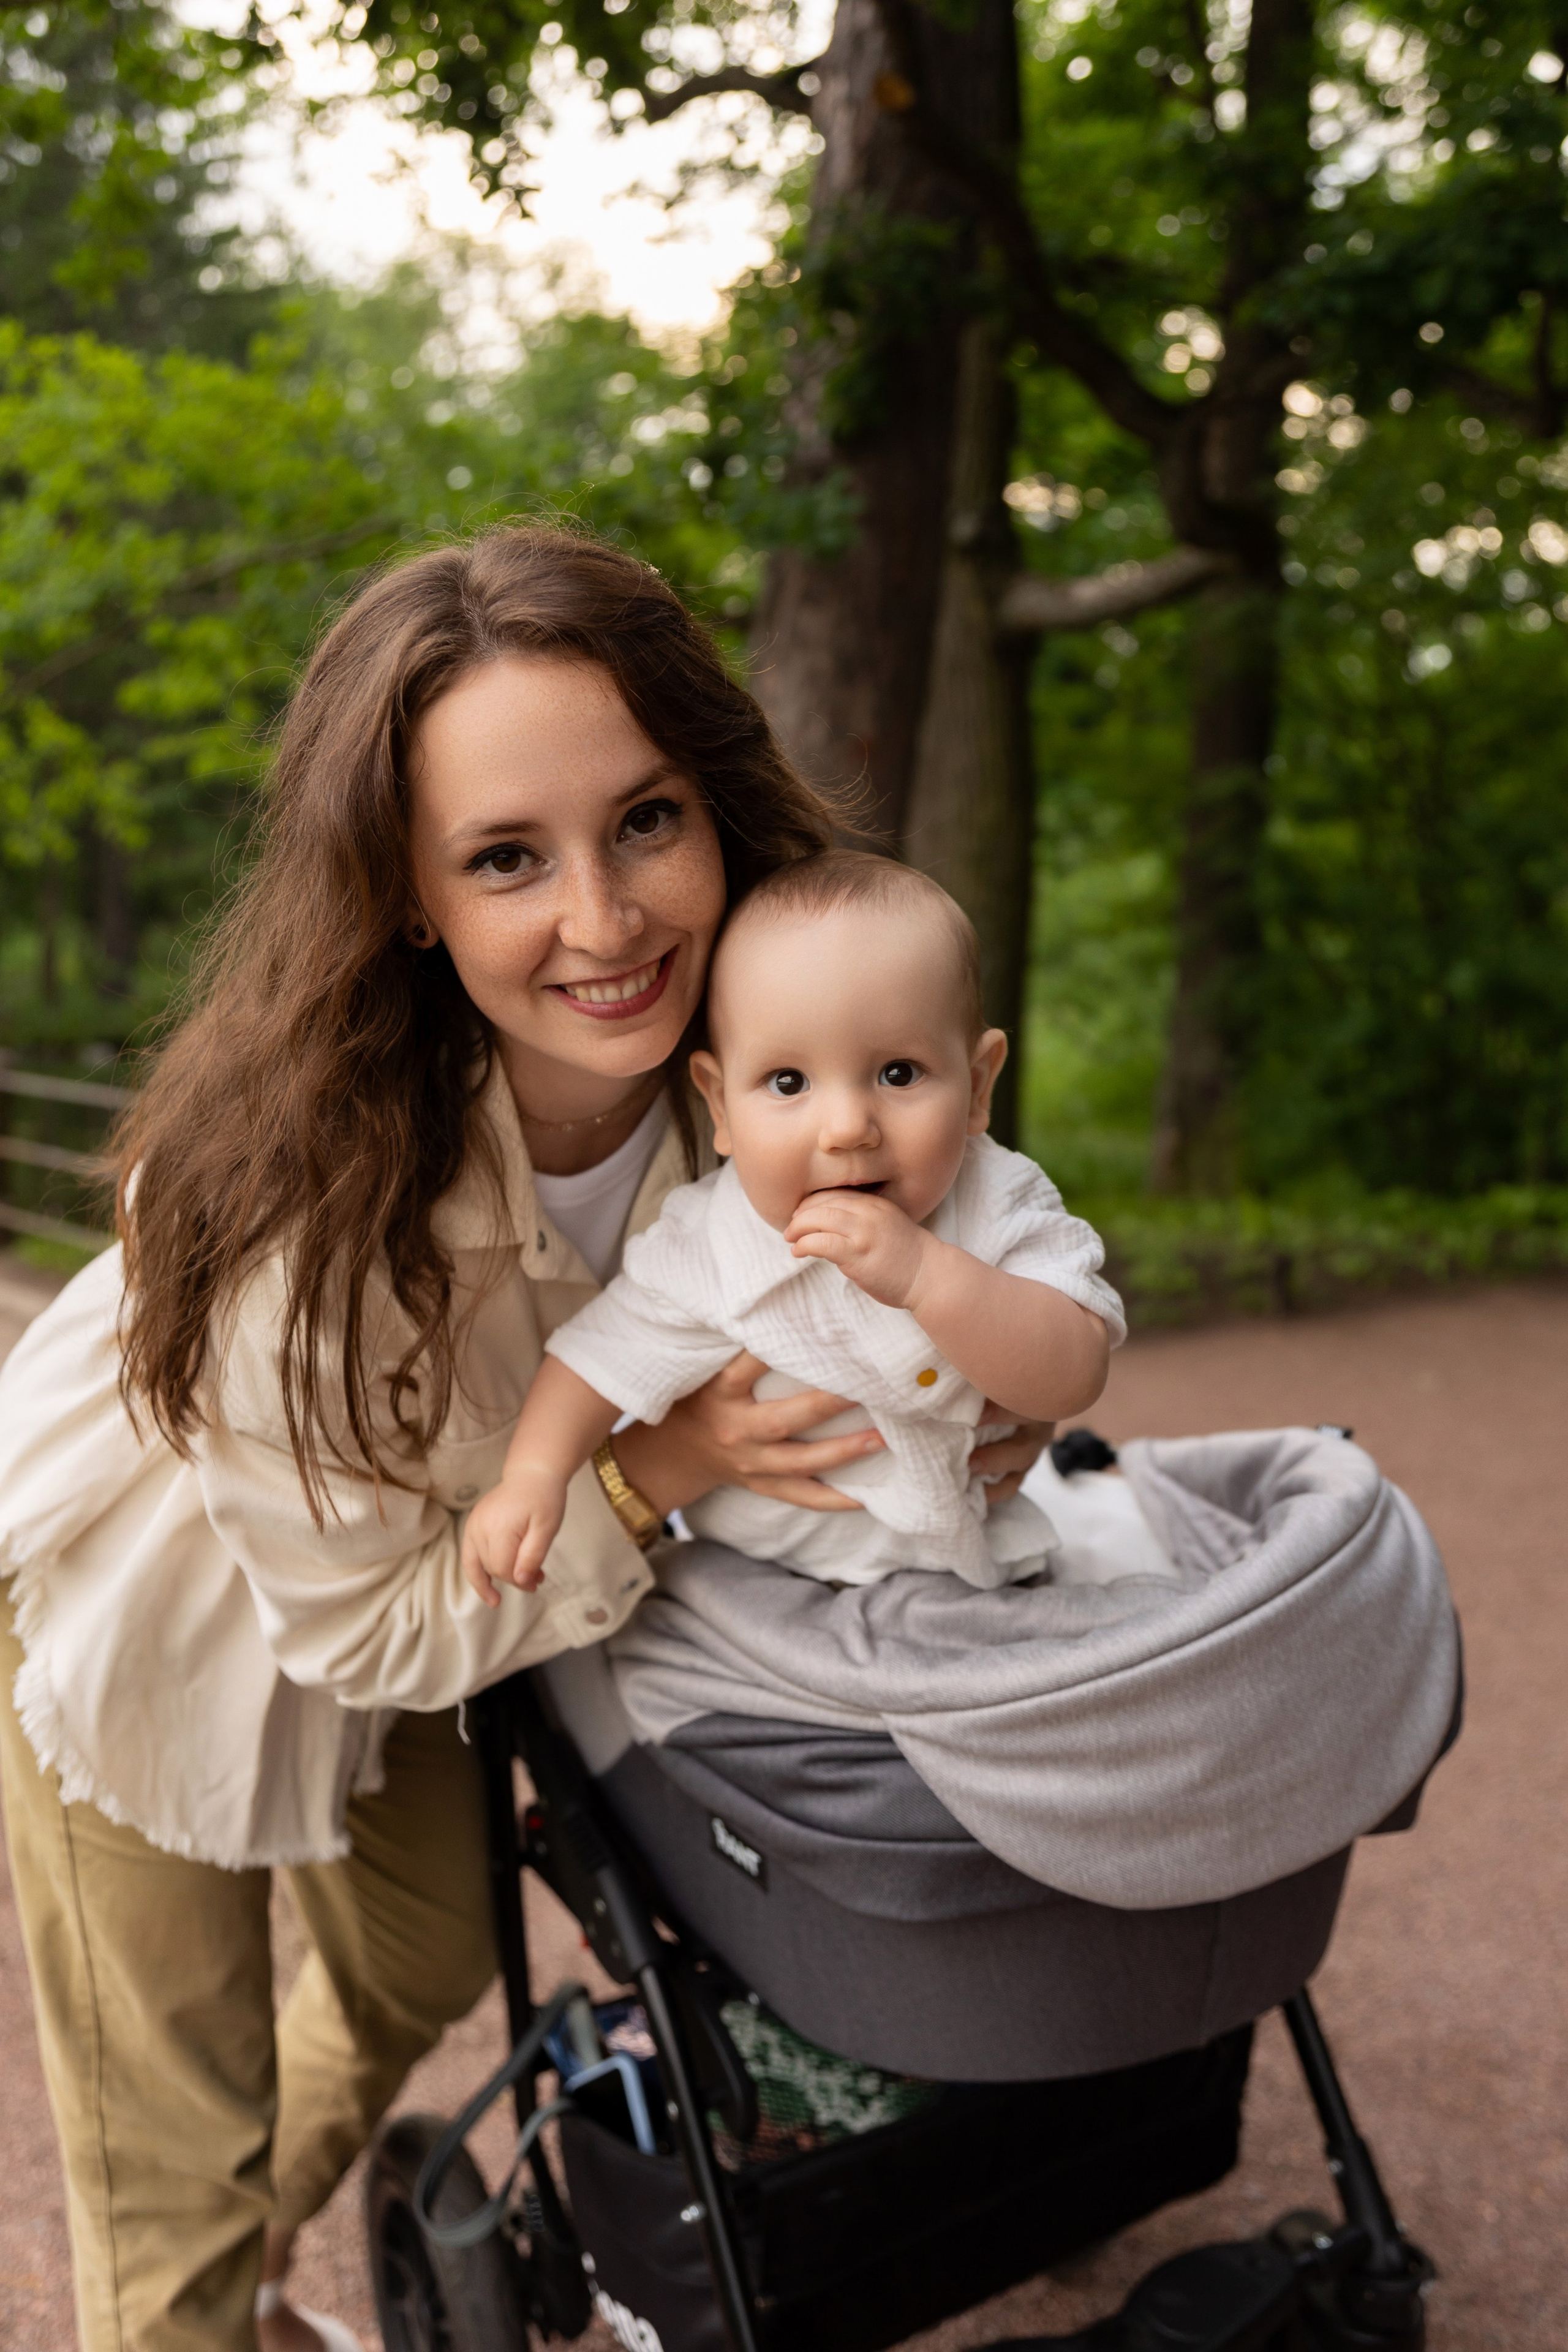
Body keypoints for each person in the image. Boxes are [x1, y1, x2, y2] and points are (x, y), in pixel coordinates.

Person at [0, 525, 1053, 2352]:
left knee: (425, 1956)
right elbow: (360, 1629)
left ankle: (257, 2258)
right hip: (149, 1620)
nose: (606, 916)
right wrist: (665, 1467)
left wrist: (975, 1419)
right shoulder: (277, 1226)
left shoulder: (791, 1053)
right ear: (410, 894)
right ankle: (195, 2288)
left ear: (715, 806)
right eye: (507, 856)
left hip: (463, 1558)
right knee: (175, 2152)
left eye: (644, 820)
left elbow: (939, 1302)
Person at [464, 851, 1123, 1601]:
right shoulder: (711, 1241)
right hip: (758, 1578)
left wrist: (930, 1277)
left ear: (977, 1086)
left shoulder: (996, 1200)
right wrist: (535, 1474)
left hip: (971, 1568)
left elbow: (1077, 1368)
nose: (846, 1128)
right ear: (720, 1107)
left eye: (898, 1074)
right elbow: (596, 1358)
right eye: (787, 1083)